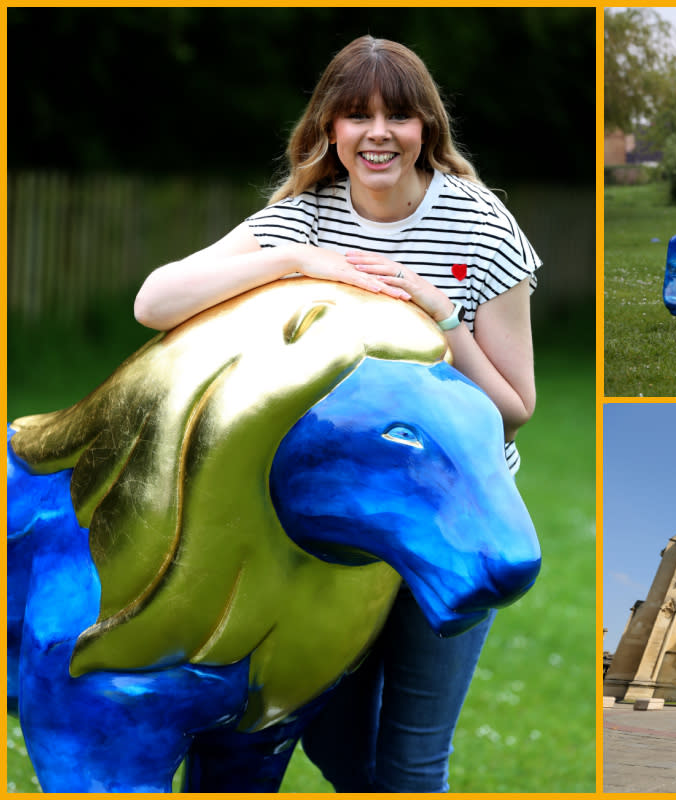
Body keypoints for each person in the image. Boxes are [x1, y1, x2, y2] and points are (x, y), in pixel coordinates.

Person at [134, 35, 539, 791]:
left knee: (411, 762)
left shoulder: (483, 225)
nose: (377, 133)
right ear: (329, 128)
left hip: (448, 511)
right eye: (356, 115)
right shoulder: (304, 218)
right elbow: (153, 302)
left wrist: (445, 314)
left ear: (428, 130)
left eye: (398, 115)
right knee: (337, 746)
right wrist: (294, 261)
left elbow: (513, 410)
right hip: (327, 531)